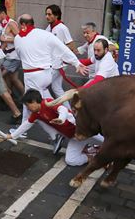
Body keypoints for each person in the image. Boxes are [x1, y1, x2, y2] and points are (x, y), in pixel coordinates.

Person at [14, 14, 86, 150]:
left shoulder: (18, 38)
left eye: (19, 25)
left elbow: (20, 54)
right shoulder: (44, 34)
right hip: (46, 74)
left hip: (32, 76)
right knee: (41, 104)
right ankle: (60, 121)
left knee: (33, 107)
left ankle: (54, 134)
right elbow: (63, 48)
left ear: (23, 25)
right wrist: (76, 63)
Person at [6, 90, 104, 165]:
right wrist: (12, 136)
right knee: (71, 161)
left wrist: (61, 119)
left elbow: (63, 109)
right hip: (75, 138)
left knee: (111, 143)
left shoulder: (47, 102)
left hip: (85, 132)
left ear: (35, 101)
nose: (27, 108)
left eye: (28, 105)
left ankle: (105, 151)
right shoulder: (36, 114)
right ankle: (94, 156)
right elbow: (26, 125)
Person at [45, 4, 79, 99]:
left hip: (58, 64)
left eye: (49, 14)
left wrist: (58, 51)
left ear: (56, 15)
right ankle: (67, 110)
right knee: (56, 88)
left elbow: (72, 45)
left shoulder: (62, 28)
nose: (47, 16)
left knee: (42, 85)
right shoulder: (49, 27)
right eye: (46, 14)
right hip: (53, 62)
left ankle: (52, 107)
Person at [0, 4, 24, 98]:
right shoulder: (4, 23)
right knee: (13, 78)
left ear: (3, 13)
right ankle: (26, 99)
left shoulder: (11, 23)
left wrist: (5, 39)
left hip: (14, 56)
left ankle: (10, 95)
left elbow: (20, 39)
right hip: (9, 55)